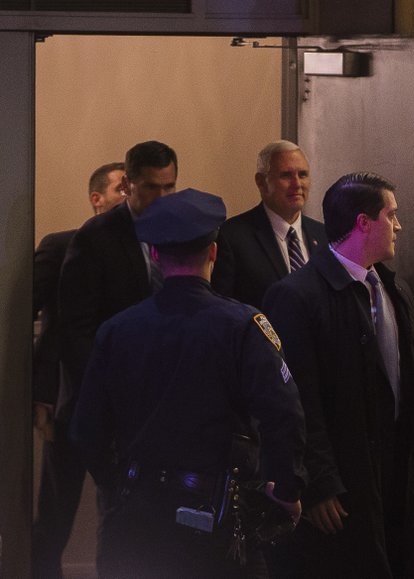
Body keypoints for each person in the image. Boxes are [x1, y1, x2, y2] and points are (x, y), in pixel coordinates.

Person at [70, 188, 306, 578]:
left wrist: (116, 485)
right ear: (213, 252)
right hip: (217, 522)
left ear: (157, 256)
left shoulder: (116, 331)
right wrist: (287, 490)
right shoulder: (244, 327)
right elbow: (284, 415)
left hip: (136, 517)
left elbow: (85, 431)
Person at [262, 172, 414, 578]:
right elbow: (296, 398)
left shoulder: (397, 289)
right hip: (346, 480)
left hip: (402, 473)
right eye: (391, 215)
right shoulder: (296, 295)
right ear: (364, 222)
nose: (399, 226)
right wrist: (318, 481)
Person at [58, 141, 177, 571]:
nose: (161, 198)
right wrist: (104, 397)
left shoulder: (179, 229)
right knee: (121, 517)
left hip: (166, 399)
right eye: (150, 187)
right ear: (127, 184)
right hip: (113, 400)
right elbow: (75, 328)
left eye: (169, 187)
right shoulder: (97, 237)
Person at [32, 161, 126, 579]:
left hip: (123, 401)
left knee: (122, 507)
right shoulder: (62, 244)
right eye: (121, 187)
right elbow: (32, 322)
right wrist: (40, 392)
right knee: (56, 508)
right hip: (68, 397)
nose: (130, 194)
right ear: (97, 199)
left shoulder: (147, 252)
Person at [212, 140, 327, 308]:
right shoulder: (233, 237)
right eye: (286, 175)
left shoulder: (324, 235)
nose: (297, 184)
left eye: (302, 175)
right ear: (261, 182)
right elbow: (223, 309)